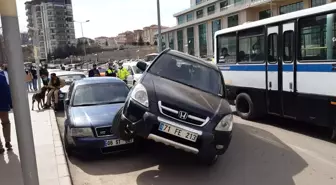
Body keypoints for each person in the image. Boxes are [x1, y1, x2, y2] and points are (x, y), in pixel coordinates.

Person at [0, 66, 12, 153]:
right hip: (3, 103)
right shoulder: (3, 75)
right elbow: (7, 90)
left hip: (3, 103)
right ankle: (7, 142)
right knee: (6, 123)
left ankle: (0, 146)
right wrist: (10, 103)